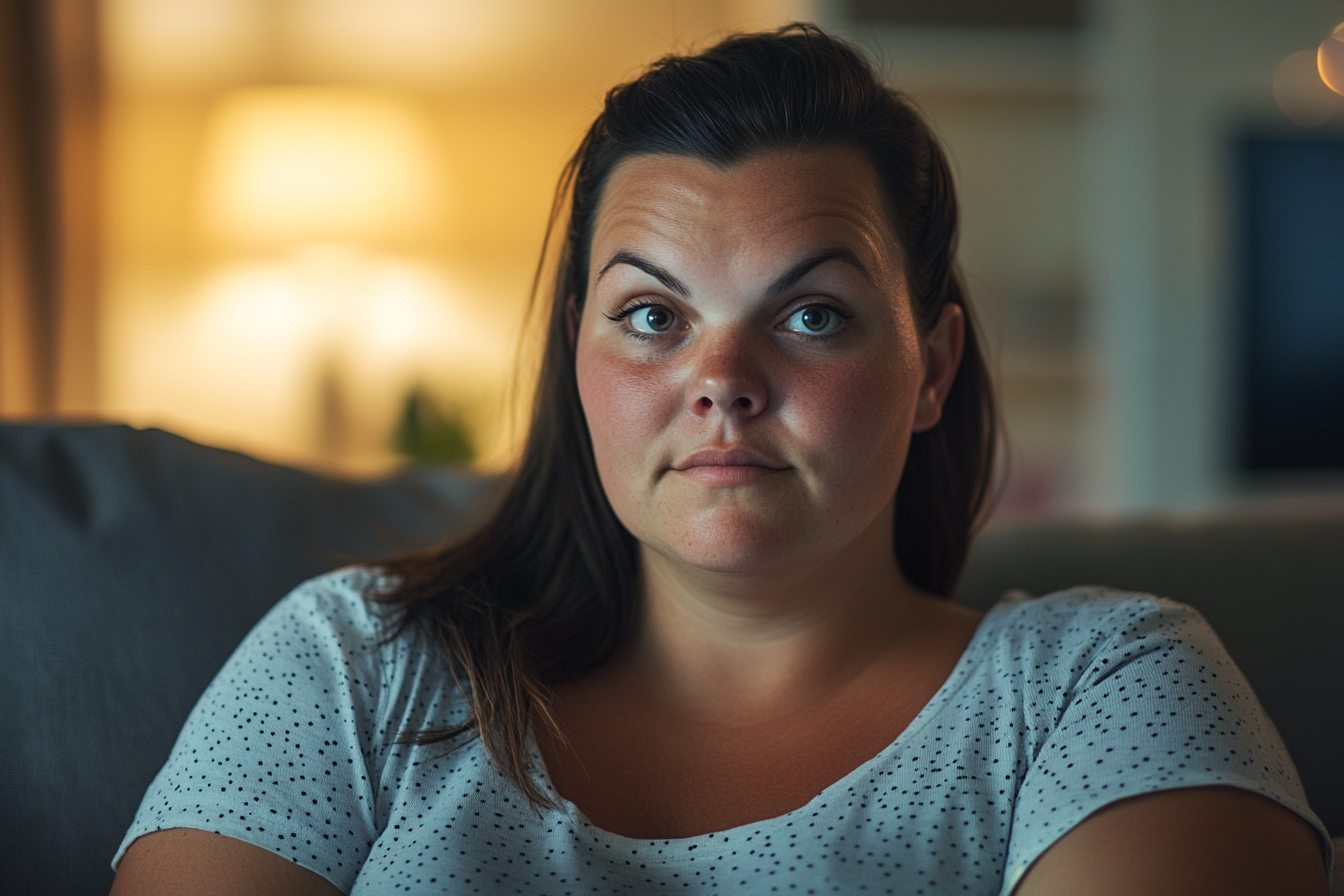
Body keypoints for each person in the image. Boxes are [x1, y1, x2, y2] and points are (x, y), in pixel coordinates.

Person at [110, 24, 1331, 896]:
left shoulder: (1104, 687)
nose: (722, 377)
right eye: (652, 314)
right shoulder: (353, 666)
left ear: (935, 369)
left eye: (812, 314)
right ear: (575, 352)